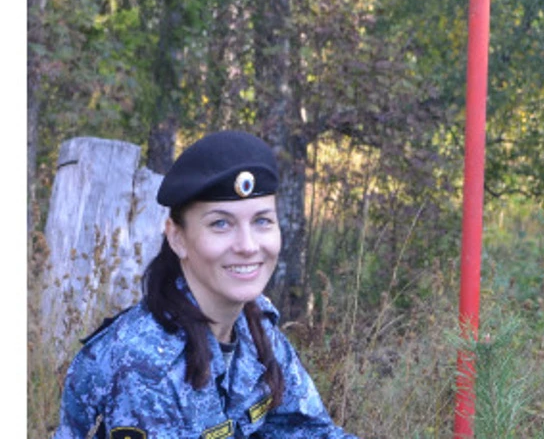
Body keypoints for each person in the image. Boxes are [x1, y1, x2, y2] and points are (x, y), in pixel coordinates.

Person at [54, 131, 357, 439]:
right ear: (177, 238)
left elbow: (309, 431)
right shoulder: (146, 365)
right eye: (221, 224)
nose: (248, 246)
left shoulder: (256, 328)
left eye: (262, 221)